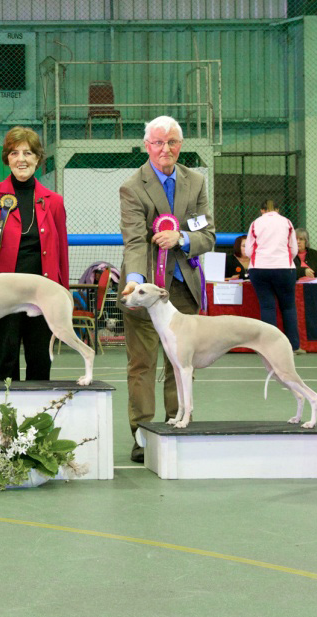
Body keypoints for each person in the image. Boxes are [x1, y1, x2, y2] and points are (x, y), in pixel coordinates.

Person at [117, 116, 214, 464]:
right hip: (144, 290)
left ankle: (179, 426)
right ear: (147, 146)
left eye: (172, 142)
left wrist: (182, 238)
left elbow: (208, 235)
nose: (165, 149)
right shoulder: (132, 186)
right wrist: (137, 285)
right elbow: (134, 242)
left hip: (184, 290)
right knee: (141, 364)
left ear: (180, 145)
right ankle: (142, 436)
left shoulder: (197, 181)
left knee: (180, 364)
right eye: (158, 142)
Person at [0, 126, 68, 382]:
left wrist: (62, 292)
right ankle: (4, 418)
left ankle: (38, 419)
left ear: (38, 158)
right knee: (6, 359)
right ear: (7, 158)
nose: (21, 159)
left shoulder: (54, 201)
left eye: (27, 153)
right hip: (2, 294)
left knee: (39, 360)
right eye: (14, 153)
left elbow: (61, 253)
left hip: (42, 293)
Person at [246, 199, 302, 353]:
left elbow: (249, 251)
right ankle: (293, 345)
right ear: (277, 210)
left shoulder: (256, 223)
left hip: (259, 268)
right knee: (288, 306)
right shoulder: (287, 222)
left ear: (261, 210)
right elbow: (293, 248)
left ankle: (270, 346)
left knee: (267, 306)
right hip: (284, 268)